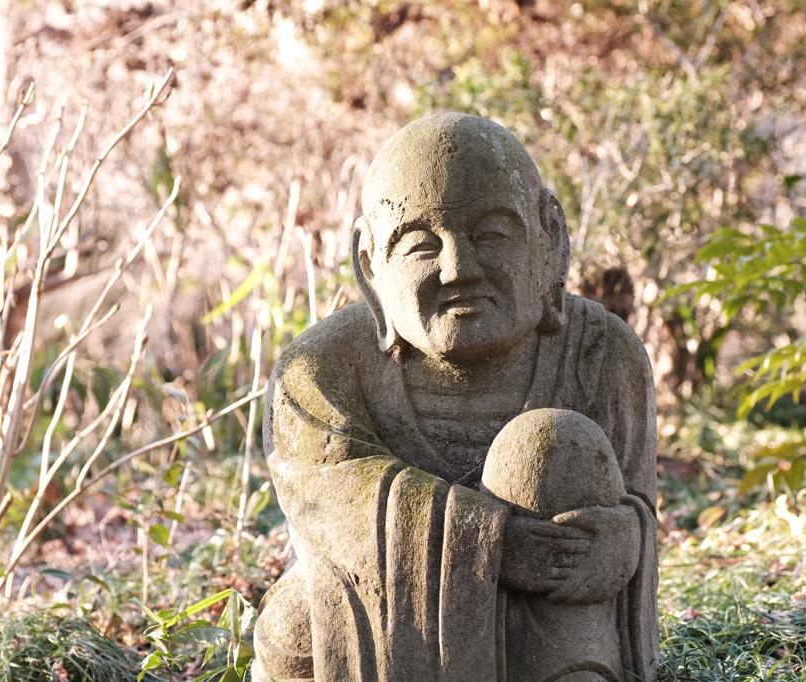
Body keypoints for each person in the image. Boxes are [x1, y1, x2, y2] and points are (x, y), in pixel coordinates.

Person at [252, 113, 658, 682]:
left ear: (550, 241)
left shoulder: (601, 354)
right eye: (420, 245)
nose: (459, 269)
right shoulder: (318, 370)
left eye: (492, 235)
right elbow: (327, 505)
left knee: (550, 447)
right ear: (371, 267)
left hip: (549, 623)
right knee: (294, 630)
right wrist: (491, 543)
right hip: (384, 617)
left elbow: (637, 504)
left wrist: (616, 541)